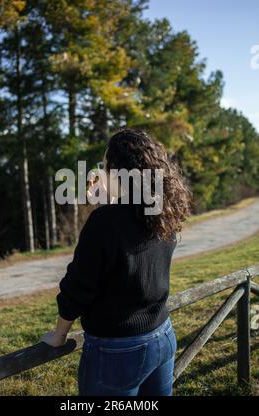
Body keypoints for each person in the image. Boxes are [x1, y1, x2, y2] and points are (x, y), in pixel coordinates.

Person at [40, 128, 192, 396]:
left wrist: (59, 335)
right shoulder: (159, 212)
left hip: (118, 351)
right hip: (163, 335)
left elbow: (78, 288)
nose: (100, 171)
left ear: (118, 171)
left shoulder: (105, 223)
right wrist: (107, 204)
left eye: (103, 165)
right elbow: (131, 258)